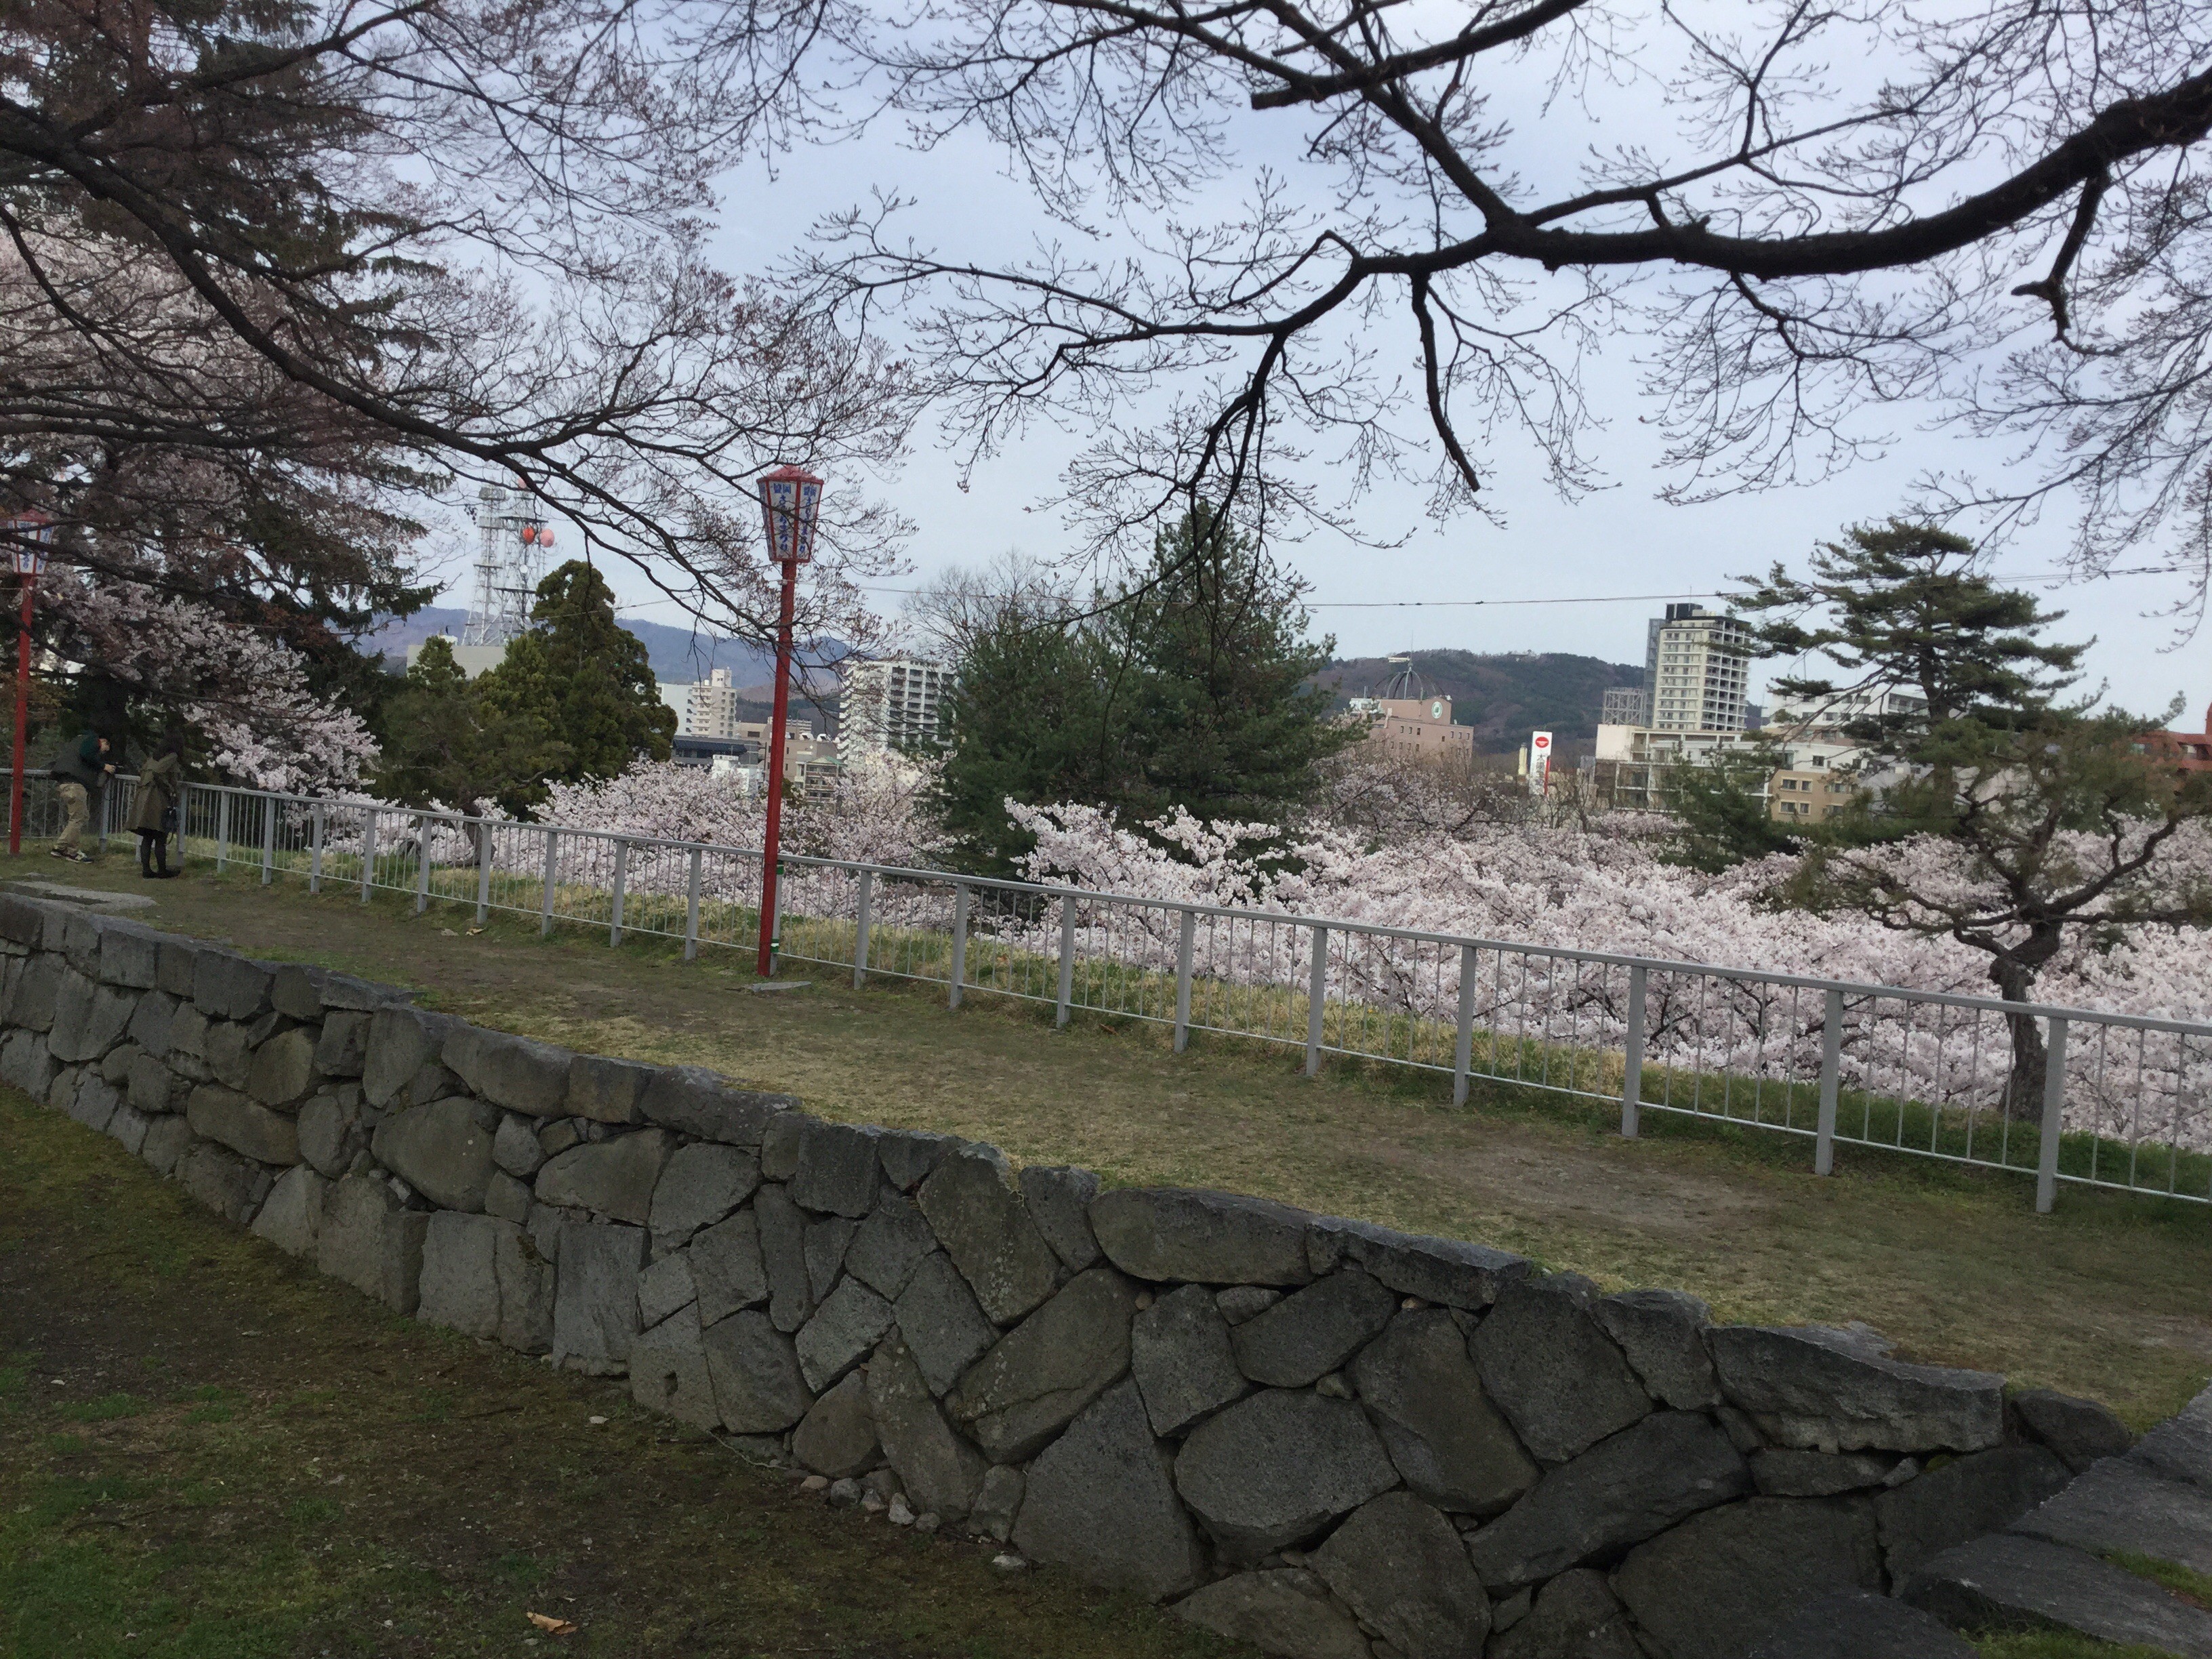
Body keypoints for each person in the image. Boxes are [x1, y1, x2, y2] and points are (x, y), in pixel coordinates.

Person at [50, 728, 114, 861]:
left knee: (82, 816)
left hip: (66, 783)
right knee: (78, 818)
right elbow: (86, 754)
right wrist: (104, 766)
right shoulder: (93, 740)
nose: (102, 753)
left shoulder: (78, 741)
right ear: (104, 742)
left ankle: (66, 849)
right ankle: (65, 850)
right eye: (105, 749)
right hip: (75, 785)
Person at [129, 733, 185, 879]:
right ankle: (162, 870)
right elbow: (158, 772)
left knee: (148, 835)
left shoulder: (153, 757)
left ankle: (147, 870)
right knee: (160, 835)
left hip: (144, 796)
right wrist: (170, 789)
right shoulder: (172, 757)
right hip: (157, 798)